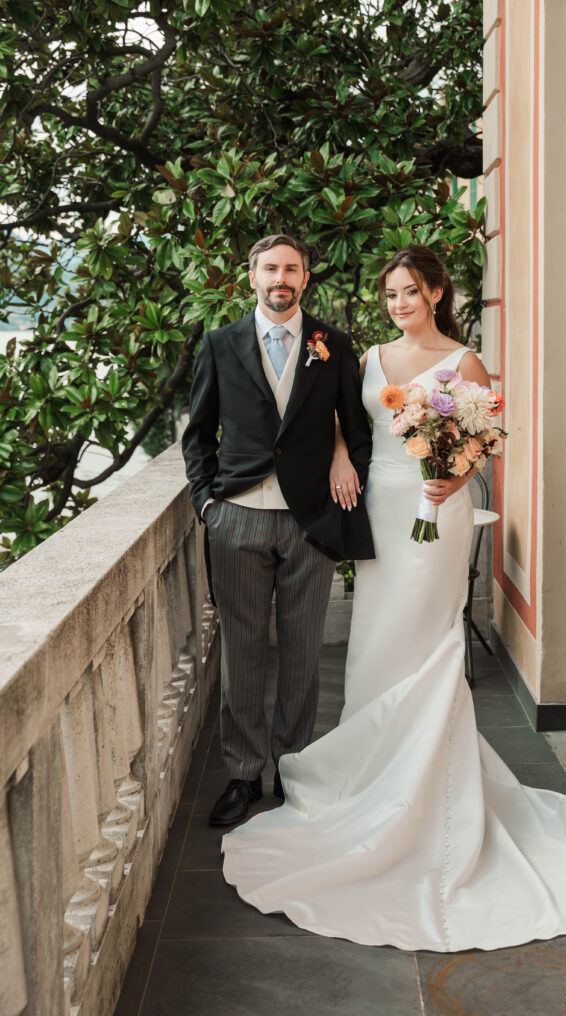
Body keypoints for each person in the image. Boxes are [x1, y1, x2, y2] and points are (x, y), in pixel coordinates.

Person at [220, 245, 566, 952]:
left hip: (435, 513)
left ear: (435, 293)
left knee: (427, 640)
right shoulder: (367, 356)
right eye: (390, 294)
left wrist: (454, 478)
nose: (398, 303)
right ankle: (369, 780)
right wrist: (342, 456)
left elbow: (482, 439)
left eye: (410, 292)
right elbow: (343, 422)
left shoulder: (462, 362)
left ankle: (430, 796)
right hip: (378, 508)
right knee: (376, 642)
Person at [182, 234, 374, 829]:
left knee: (301, 653)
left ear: (306, 278)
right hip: (236, 518)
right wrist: (208, 507)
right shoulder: (219, 345)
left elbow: (358, 428)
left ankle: (293, 768)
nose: (280, 277)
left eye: (291, 268)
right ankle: (243, 773)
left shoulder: (333, 345)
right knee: (240, 654)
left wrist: (345, 459)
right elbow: (198, 436)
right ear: (252, 277)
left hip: (309, 521)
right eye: (270, 267)